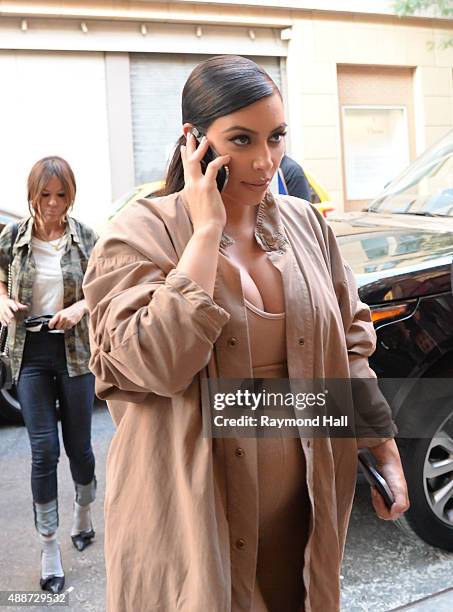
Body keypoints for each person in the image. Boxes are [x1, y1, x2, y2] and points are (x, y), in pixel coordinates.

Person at [83, 55, 409, 611]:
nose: (265, 161)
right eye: (242, 139)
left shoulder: (307, 226)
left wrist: (381, 444)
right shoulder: (138, 234)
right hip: (191, 523)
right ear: (195, 141)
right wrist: (205, 232)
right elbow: (154, 364)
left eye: (276, 137)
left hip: (300, 519)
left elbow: (352, 341)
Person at [0, 156, 98, 594]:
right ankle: (49, 548)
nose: (54, 204)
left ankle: (83, 511)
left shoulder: (87, 239)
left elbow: (107, 286)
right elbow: (0, 275)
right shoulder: (12, 237)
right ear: (32, 194)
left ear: (71, 195)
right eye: (46, 195)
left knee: (79, 447)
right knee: (43, 451)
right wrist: (2, 302)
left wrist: (81, 307)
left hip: (74, 353)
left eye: (62, 195)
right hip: (30, 354)